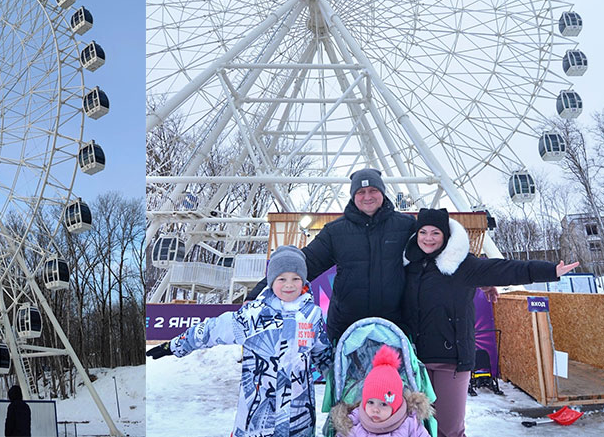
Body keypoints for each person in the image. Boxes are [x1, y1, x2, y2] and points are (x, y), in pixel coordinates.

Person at [401, 208, 578, 437]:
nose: (428, 238)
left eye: (435, 232)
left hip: (452, 360)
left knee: (450, 429)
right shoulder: (409, 268)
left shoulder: (463, 266)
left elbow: (503, 269)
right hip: (416, 361)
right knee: (418, 427)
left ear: (446, 235)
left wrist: (550, 270)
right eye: (423, 232)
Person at [147, 245, 333, 437]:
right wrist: (176, 345)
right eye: (282, 279)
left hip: (299, 417)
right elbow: (214, 329)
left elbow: (321, 352)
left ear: (303, 280)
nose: (289, 284)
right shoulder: (253, 314)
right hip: (258, 417)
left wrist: (339, 375)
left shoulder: (312, 314)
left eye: (296, 278)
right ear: (271, 281)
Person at [248, 168, 416, 341]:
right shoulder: (335, 231)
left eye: (373, 190)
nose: (367, 197)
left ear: (382, 192)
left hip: (395, 325)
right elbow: (304, 263)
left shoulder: (405, 225)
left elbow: (432, 254)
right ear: (353, 195)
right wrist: (256, 295)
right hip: (347, 327)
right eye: (361, 192)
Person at [331, 345, 432, 437]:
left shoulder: (410, 425)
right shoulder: (353, 424)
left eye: (383, 404)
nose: (375, 409)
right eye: (370, 402)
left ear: (395, 405)